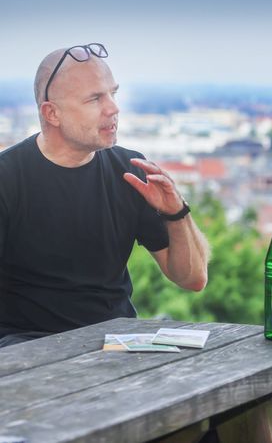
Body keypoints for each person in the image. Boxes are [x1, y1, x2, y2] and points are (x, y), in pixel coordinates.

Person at [0, 43, 210, 348]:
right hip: (27, 348)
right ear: (52, 113)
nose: (113, 108)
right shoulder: (7, 178)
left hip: (116, 344)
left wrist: (176, 212)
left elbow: (192, 279)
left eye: (113, 93)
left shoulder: (130, 170)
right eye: (95, 98)